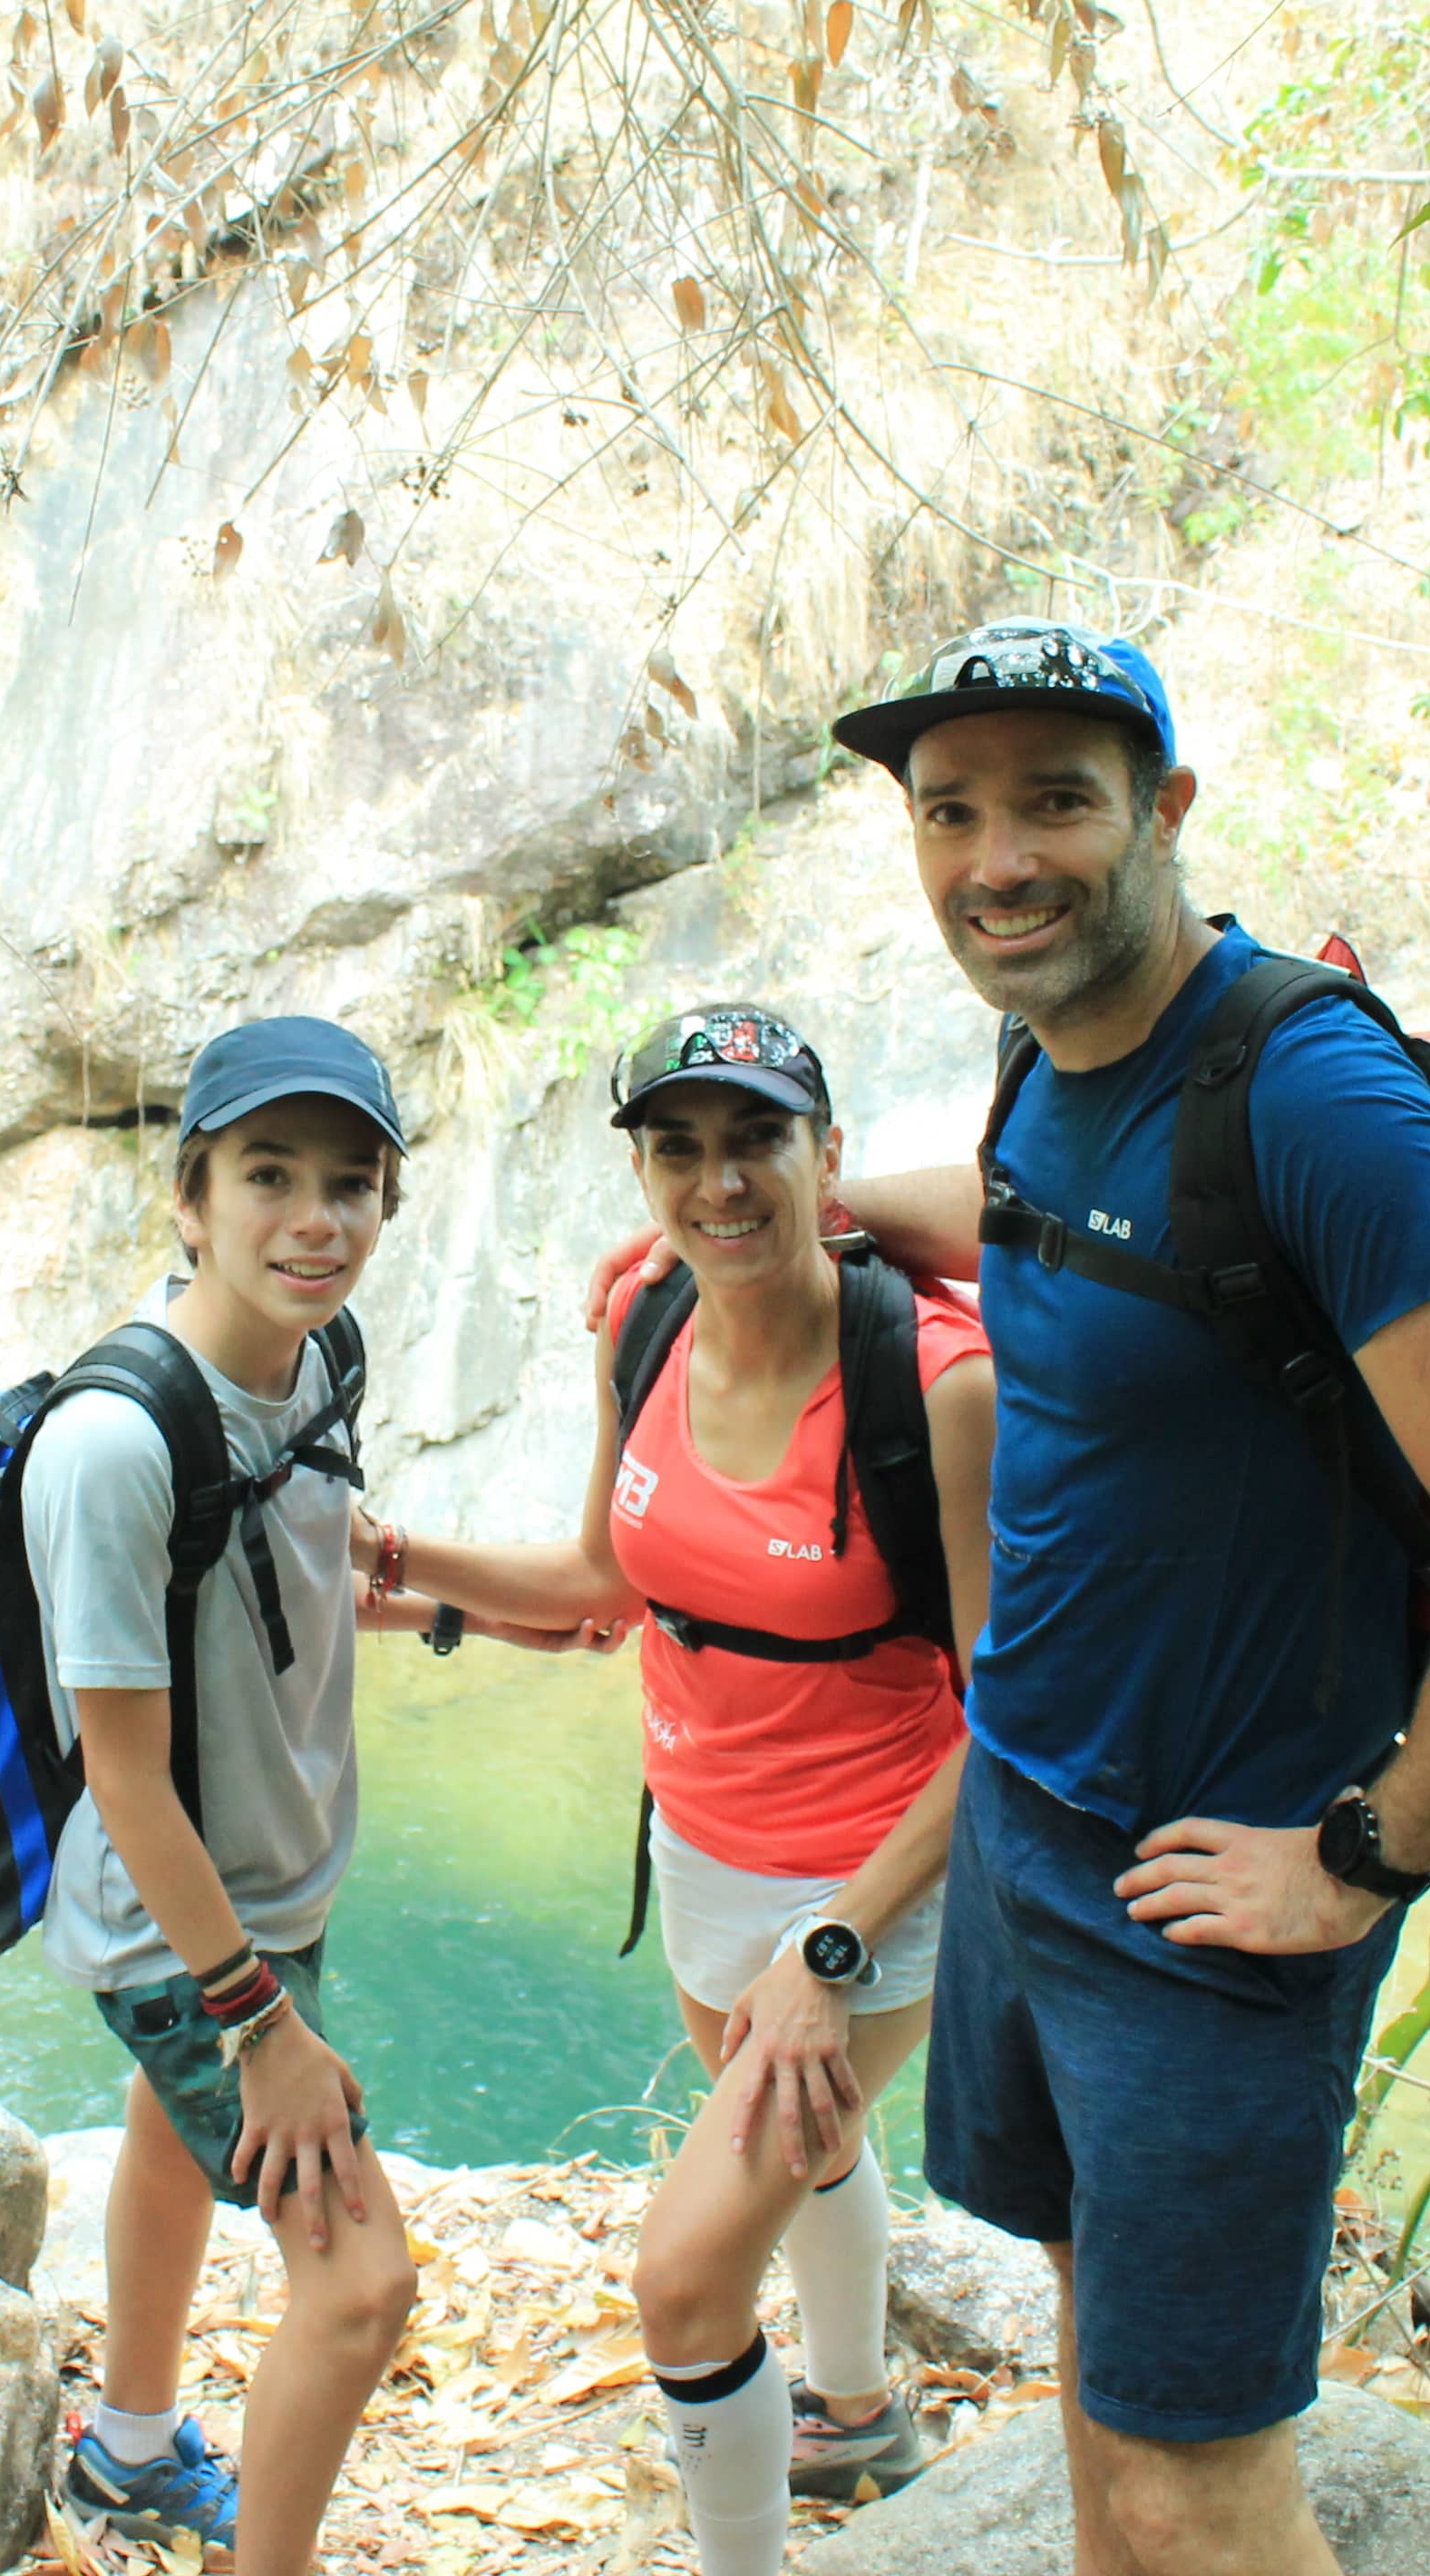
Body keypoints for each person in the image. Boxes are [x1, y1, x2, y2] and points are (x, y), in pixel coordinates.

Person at [602, 621, 1430, 2576]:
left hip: (1216, 1899)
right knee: (1099, 2370)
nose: (1000, 857)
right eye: (954, 810)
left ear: (1165, 809)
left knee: (1193, 2481)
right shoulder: (1050, 1049)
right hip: (1037, 1831)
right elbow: (1035, 1219)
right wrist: (784, 1212)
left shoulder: (1307, 1096)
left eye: (1057, 801)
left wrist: (1365, 1848)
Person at [359, 1000, 995, 2576]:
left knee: (688, 2284)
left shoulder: (932, 1385)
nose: (720, 1183)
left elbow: (1019, 1732)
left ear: (829, 1158)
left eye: (757, 1141)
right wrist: (393, 1562)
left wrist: (830, 1954)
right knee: (813, 2146)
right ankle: (856, 2412)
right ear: (646, 1172)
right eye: (681, 1148)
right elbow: (602, 1579)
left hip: (872, 1883)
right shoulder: (643, 1322)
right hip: (702, 1844)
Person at [26, 1017, 430, 2576]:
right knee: (358, 2288)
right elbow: (120, 1776)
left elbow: (302, 1545)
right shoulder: (114, 1445)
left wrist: (468, 1597)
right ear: (188, 1197)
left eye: (352, 1182)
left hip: (265, 1886)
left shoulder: (316, 1349)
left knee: (160, 2138)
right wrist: (258, 2026)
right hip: (186, 1929)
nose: (315, 1219)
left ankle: (128, 2448)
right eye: (269, 1175)